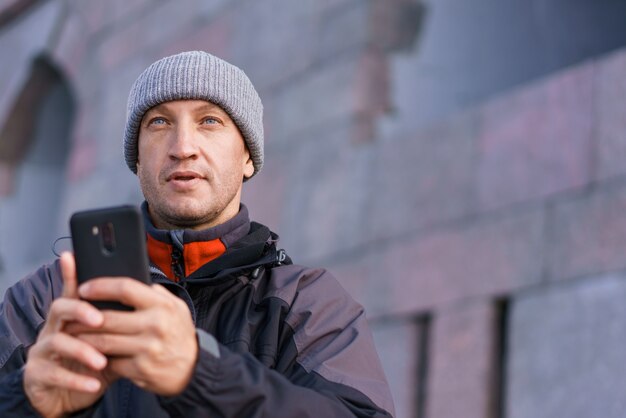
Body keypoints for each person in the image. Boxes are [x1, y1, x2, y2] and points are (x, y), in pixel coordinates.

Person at [0, 51, 395, 417]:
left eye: (210, 121)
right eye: (159, 122)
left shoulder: (304, 302)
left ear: (247, 157)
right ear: (136, 158)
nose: (183, 147)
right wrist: (27, 398)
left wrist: (201, 373)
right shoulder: (47, 298)